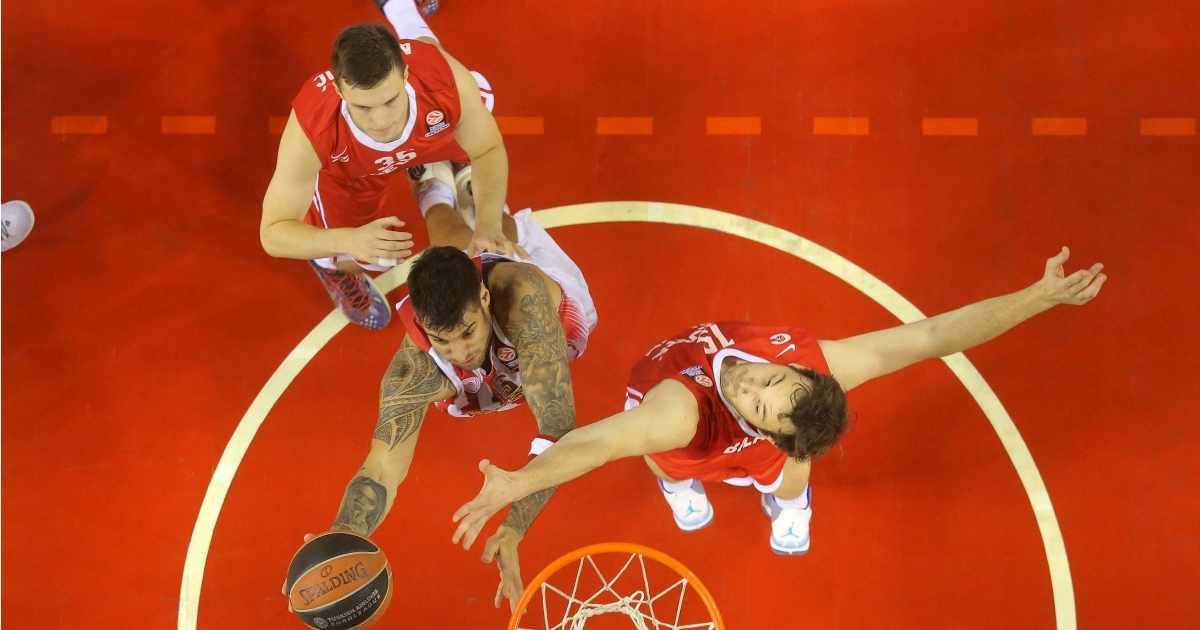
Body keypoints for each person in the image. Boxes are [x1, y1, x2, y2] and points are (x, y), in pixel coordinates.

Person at [450, 247, 1107, 556]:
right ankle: (684, 488)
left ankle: (791, 505)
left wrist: (1037, 300)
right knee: (663, 459)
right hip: (682, 434)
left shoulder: (778, 432)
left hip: (760, 451)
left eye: (762, 405)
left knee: (790, 477)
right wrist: (523, 480)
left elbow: (935, 340)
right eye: (772, 380)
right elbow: (604, 441)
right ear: (796, 366)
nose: (750, 385)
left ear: (767, 429)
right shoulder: (685, 411)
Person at [322, 202, 598, 611]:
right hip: (474, 380)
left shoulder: (524, 301)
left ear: (484, 298)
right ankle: (434, 191)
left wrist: (514, 527)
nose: (459, 351)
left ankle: (472, 193)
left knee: (499, 235)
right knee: (448, 239)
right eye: (442, 340)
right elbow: (380, 469)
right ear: (422, 325)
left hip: (556, 314)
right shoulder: (414, 369)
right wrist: (342, 537)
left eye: (467, 333)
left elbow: (558, 427)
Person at [260, 0, 517, 331]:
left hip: (428, 126)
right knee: (370, 256)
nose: (381, 121)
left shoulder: (440, 77)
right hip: (352, 173)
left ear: (406, 75)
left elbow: (488, 149)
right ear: (338, 90)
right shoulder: (313, 128)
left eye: (391, 100)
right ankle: (331, 267)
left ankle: (399, 6)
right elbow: (273, 232)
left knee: (478, 96)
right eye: (364, 108)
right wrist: (345, 240)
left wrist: (489, 226)